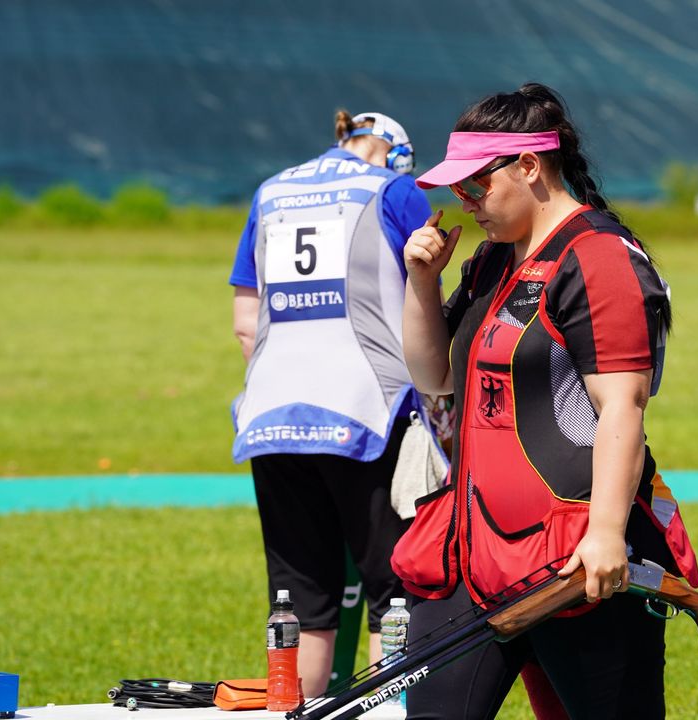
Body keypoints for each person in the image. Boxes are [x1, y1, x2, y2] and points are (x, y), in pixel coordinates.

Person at [391, 83, 698, 719]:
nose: (464, 202)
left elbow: (623, 405)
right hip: (475, 551)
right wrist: (422, 283)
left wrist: (609, 534)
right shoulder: (489, 261)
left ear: (530, 166)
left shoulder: (600, 257)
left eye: (476, 186)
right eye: (457, 190)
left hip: (578, 562)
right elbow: (432, 376)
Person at [228, 109, 433, 697]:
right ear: (395, 155)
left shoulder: (271, 191)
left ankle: (292, 708)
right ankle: (388, 711)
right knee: (393, 592)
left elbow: (247, 321)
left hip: (271, 414)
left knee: (298, 602)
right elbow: (425, 301)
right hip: (367, 409)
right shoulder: (395, 189)